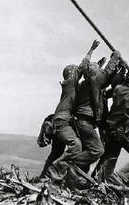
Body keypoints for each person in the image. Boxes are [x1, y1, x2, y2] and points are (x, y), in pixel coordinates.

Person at [38, 40, 100, 178]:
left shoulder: (71, 86)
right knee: (76, 145)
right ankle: (56, 169)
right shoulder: (71, 83)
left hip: (60, 120)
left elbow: (86, 72)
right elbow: (83, 66)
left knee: (56, 152)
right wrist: (91, 49)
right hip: (63, 121)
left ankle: (43, 177)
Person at [62, 49, 122, 173]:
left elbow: (107, 86)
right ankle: (64, 163)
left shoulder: (86, 85)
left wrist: (120, 71)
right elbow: (107, 73)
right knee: (97, 150)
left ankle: (75, 177)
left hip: (81, 122)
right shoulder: (94, 82)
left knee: (87, 150)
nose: (100, 71)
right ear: (95, 74)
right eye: (98, 70)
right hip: (85, 122)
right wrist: (115, 57)